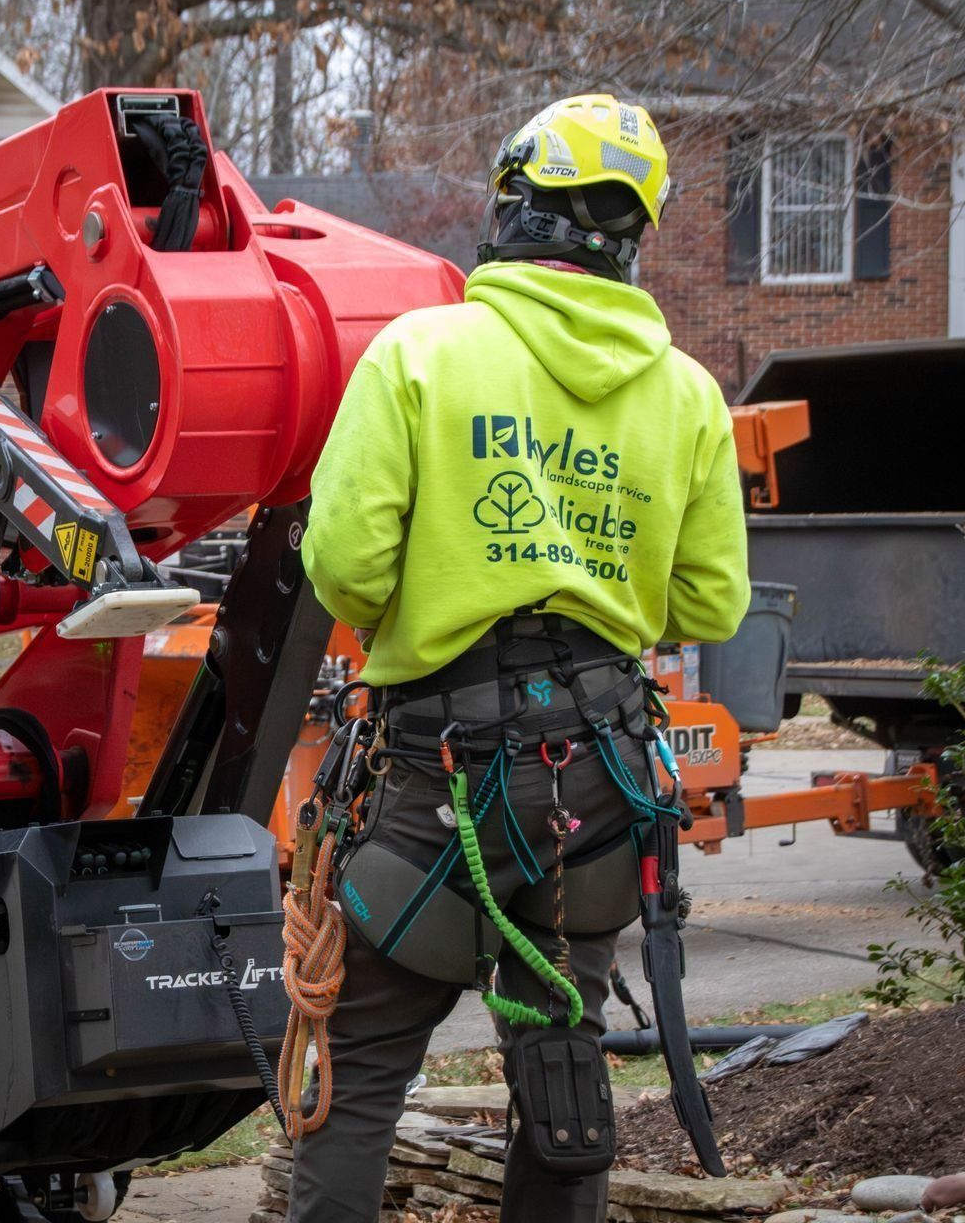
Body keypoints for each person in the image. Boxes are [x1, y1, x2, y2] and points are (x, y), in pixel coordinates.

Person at [293, 95, 750, 1223]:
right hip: (596, 785)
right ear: (631, 232)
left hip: (437, 773)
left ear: (514, 204)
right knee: (562, 1070)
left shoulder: (422, 354)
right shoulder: (686, 394)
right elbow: (711, 598)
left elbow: (344, 568)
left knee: (353, 1081)